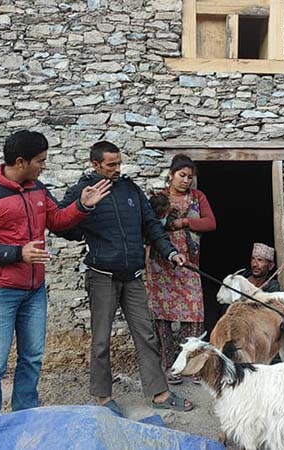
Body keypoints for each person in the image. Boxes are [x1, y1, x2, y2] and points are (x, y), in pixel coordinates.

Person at [0, 130, 111, 421]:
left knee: (32, 358)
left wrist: (82, 206)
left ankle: (24, 418)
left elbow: (57, 220)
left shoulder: (37, 188)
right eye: (40, 161)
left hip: (34, 290)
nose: (43, 166)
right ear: (20, 161)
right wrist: (17, 254)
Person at [58, 141, 193, 413]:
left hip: (133, 276)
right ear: (95, 164)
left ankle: (160, 394)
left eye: (119, 163)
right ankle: (103, 398)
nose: (117, 169)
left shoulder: (130, 188)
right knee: (101, 339)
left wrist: (170, 252)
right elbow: (61, 223)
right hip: (102, 276)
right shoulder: (82, 190)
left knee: (146, 335)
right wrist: (83, 209)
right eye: (111, 165)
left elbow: (151, 225)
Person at [145, 154, 216, 385]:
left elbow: (210, 223)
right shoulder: (159, 199)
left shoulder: (198, 197)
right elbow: (147, 225)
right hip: (160, 265)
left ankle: (194, 366)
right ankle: (169, 366)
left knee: (193, 312)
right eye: (182, 175)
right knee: (163, 316)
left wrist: (184, 223)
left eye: (190, 177)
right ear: (171, 174)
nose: (186, 180)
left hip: (188, 264)